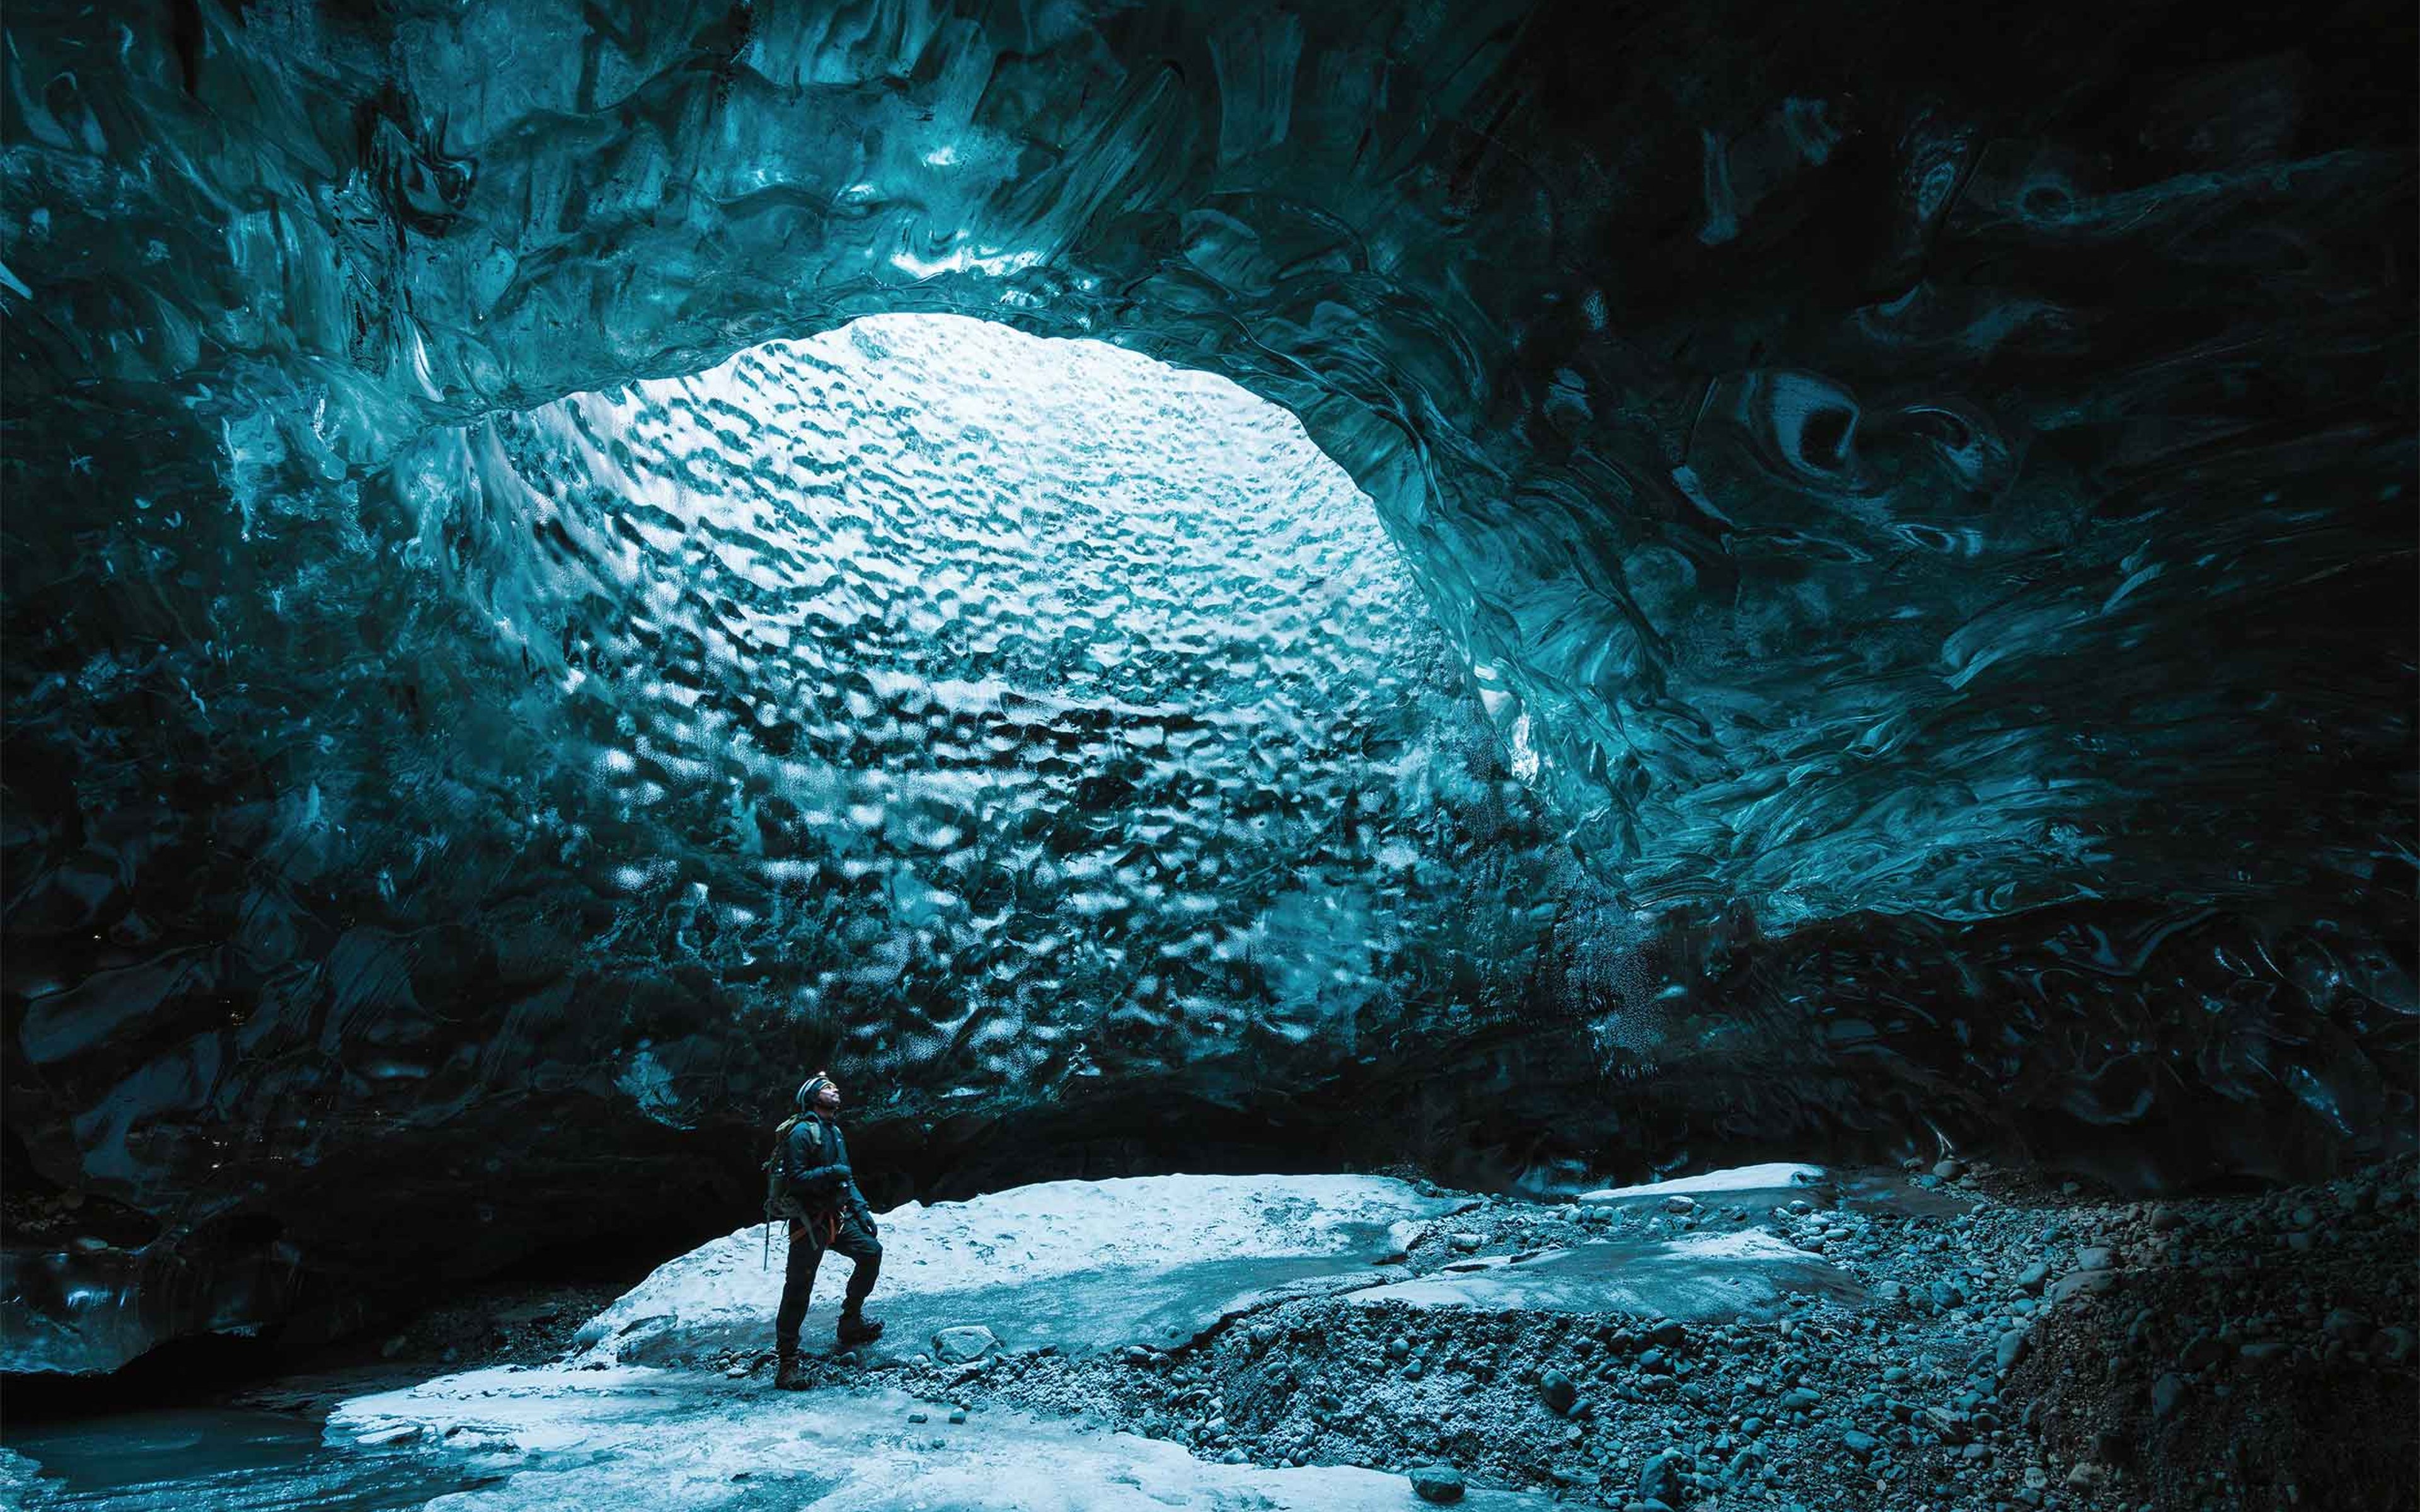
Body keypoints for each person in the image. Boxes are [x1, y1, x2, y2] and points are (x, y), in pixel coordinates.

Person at [771, 1071, 884, 1389]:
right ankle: (787, 1363)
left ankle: (851, 1321)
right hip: (808, 1222)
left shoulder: (834, 1132)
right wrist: (833, 1171)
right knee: (798, 1288)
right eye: (826, 1087)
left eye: (834, 1086)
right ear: (812, 1098)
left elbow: (847, 1180)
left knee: (871, 1253)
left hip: (836, 1217)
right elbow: (797, 1178)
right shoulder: (802, 1134)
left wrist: (860, 1209)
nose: (834, 1089)